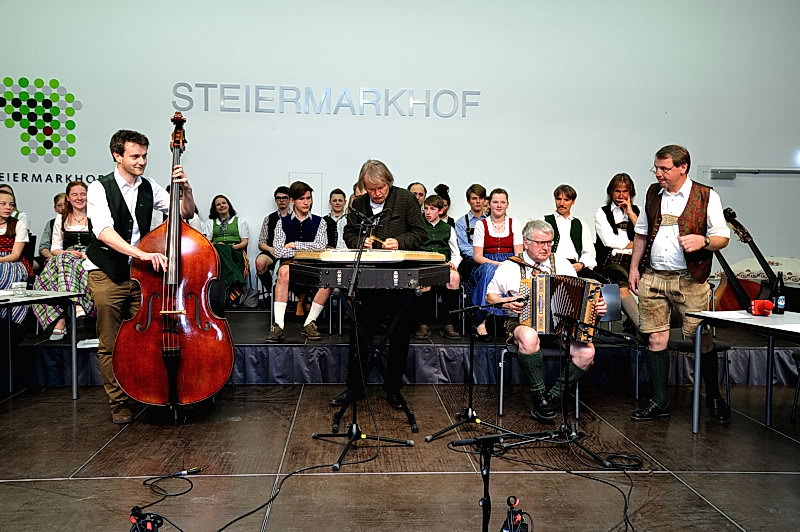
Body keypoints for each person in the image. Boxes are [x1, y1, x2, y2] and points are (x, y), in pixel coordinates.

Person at [85, 129, 195, 424]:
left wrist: (186, 190)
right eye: (135, 156)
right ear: (117, 155)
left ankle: (145, 393)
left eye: (145, 156)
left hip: (140, 276)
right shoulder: (99, 188)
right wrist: (142, 254)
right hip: (106, 272)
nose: (142, 161)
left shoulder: (149, 186)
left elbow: (183, 214)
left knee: (146, 338)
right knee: (110, 343)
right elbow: (104, 232)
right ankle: (118, 402)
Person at [628, 144, 731, 424]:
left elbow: (723, 237)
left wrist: (704, 241)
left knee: (702, 337)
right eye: (656, 168)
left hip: (690, 279)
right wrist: (634, 268)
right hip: (654, 276)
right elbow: (641, 234)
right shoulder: (652, 193)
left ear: (683, 167)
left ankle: (713, 397)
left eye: (664, 168)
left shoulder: (706, 195)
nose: (658, 173)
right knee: (655, 337)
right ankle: (659, 401)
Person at [486, 220, 607, 421]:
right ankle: (539, 394)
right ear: (526, 242)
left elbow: (581, 297)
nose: (546, 247)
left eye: (549, 243)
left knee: (587, 352)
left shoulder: (562, 264)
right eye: (540, 243)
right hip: (520, 322)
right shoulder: (510, 266)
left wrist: (597, 306)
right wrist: (505, 302)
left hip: (560, 325)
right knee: (529, 336)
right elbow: (490, 296)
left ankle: (552, 397)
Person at [332, 160, 427, 410]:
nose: (376, 193)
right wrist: (360, 240)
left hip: (399, 279)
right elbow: (348, 233)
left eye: (381, 188)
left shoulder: (405, 199)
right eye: (371, 189)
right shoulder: (359, 204)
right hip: (368, 278)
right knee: (360, 334)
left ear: (389, 182)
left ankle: (393, 388)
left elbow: (420, 233)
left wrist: (400, 241)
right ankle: (355, 387)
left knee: (399, 335)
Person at [264, 181, 332, 342]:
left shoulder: (320, 222)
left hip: (313, 265)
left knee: (329, 277)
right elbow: (278, 251)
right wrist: (309, 248)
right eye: (302, 199)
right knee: (283, 271)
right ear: (292, 201)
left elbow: (321, 247)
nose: (306, 202)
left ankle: (309, 323)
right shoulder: (282, 222)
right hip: (291, 265)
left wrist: (295, 245)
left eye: (309, 198)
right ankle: (278, 326)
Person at [32, 181, 93, 340]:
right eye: (75, 194)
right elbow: (55, 248)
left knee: (62, 264)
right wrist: (68, 253)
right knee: (62, 259)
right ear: (68, 197)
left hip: (90, 257)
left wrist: (86, 255)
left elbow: (102, 244)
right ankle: (76, 306)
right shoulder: (61, 218)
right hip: (66, 256)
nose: (79, 198)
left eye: (83, 194)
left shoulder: (96, 215)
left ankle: (61, 320)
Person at [471, 188, 523, 339]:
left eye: (502, 202)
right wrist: (498, 264)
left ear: (507, 204)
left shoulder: (514, 223)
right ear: (489, 204)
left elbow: (519, 255)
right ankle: (486, 318)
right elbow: (477, 256)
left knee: (506, 273)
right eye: (495, 202)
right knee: (490, 270)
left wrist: (507, 265)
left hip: (510, 263)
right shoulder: (481, 224)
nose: (499, 205)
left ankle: (497, 319)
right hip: (486, 262)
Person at [593, 173, 641, 328]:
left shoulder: (638, 211)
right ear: (611, 192)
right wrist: (634, 243)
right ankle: (643, 330)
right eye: (617, 191)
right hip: (612, 262)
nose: (621, 196)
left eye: (625, 191)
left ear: (630, 193)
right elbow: (609, 241)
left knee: (650, 286)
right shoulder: (602, 212)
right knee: (622, 287)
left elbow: (645, 235)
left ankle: (634, 325)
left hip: (636, 260)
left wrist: (630, 213)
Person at [413, 194, 461, 340]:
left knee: (454, 277)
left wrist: (454, 264)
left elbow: (456, 253)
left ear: (440, 211)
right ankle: (424, 323)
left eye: (432, 209)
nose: (428, 212)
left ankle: (448, 323)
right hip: (424, 264)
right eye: (426, 208)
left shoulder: (448, 228)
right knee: (424, 280)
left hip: (442, 264)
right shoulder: (419, 227)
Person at [544, 185, 602, 282]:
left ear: (573, 202)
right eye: (558, 199)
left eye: (566, 200)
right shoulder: (544, 221)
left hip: (575, 266)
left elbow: (589, 252)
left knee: (602, 283)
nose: (561, 203)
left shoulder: (581, 225)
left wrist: (581, 264)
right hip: (551, 266)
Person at [204, 194, 250, 306]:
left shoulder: (240, 221)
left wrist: (234, 247)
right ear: (215, 209)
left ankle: (228, 292)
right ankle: (235, 279)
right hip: (217, 252)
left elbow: (244, 242)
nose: (221, 206)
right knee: (220, 248)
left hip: (235, 251)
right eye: (218, 204)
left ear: (228, 205)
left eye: (224, 203)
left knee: (225, 251)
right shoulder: (210, 223)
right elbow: (207, 243)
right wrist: (216, 245)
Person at [0, 189, 33, 325]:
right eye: (3, 204)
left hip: (11, 261)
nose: (8, 207)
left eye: (11, 204)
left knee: (6, 273)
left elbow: (15, 255)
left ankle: (6, 319)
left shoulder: (18, 225)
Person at [454, 183, 487, 300]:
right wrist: (480, 256)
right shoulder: (461, 223)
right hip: (472, 263)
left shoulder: (490, 220)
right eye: (474, 198)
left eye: (480, 198)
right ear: (468, 201)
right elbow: (463, 247)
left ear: (484, 200)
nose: (478, 201)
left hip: (489, 259)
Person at [255, 186, 291, 289]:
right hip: (272, 251)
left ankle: (288, 293)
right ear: (275, 200)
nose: (281, 200)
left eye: (284, 197)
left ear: (289, 199)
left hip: (290, 252)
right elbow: (261, 243)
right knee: (260, 263)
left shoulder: (297, 217)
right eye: (278, 198)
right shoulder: (269, 218)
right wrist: (270, 249)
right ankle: (272, 291)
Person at [33, 192, 67, 272]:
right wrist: (52, 258)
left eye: (66, 204)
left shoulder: (79, 221)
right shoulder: (51, 223)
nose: (63, 208)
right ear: (55, 208)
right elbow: (43, 247)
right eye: (59, 205)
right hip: (52, 256)